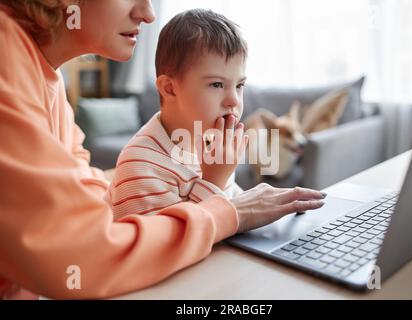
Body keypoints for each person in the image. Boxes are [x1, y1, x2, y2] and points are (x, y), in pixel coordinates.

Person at [0, 0, 326, 299]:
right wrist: (232, 210)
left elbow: (87, 198)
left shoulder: (48, 80)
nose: (148, 13)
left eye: (238, 86)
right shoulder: (6, 58)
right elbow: (80, 259)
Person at [107, 9, 249, 219]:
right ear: (170, 89)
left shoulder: (211, 145)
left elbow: (234, 206)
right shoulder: (141, 166)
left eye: (239, 85)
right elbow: (167, 245)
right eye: (217, 84)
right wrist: (213, 181)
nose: (234, 100)